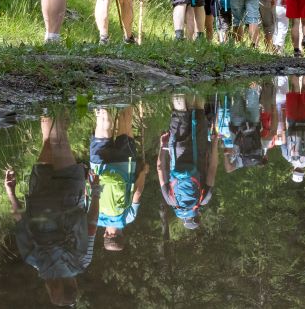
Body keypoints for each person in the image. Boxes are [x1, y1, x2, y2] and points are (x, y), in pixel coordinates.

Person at [4, 111, 97, 306]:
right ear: (50, 289)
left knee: (58, 141)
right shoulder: (35, 261)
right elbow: (20, 220)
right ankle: (47, 106)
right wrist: (11, 192)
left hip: (69, 194)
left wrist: (95, 192)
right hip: (40, 193)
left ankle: (55, 101)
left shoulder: (81, 262)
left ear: (74, 285)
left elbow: (91, 223)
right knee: (48, 141)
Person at [89, 105, 149, 251]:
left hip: (124, 164)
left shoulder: (128, 218)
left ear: (121, 236)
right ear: (105, 235)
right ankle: (102, 105)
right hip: (99, 167)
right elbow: (86, 194)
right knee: (102, 124)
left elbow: (137, 193)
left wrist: (143, 173)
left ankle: (126, 96)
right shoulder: (95, 217)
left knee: (125, 123)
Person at [157, 93, 219, 229]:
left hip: (199, 146)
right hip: (177, 149)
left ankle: (196, 82)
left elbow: (213, 167)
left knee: (198, 108)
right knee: (179, 111)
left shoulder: (204, 199)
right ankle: (177, 83)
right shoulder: (171, 200)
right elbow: (160, 168)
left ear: (197, 215)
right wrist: (162, 146)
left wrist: (215, 143)